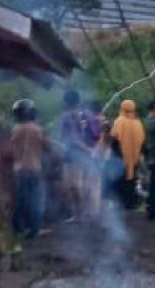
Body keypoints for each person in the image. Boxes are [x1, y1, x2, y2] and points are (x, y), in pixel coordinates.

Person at [57, 90, 98, 221]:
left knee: (73, 186)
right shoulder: (89, 115)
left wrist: (84, 148)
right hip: (87, 154)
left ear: (66, 102)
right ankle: (87, 213)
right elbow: (96, 134)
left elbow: (67, 138)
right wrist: (91, 149)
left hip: (73, 155)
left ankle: (79, 214)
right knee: (85, 184)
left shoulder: (66, 116)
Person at [8, 99, 47, 238]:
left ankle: (17, 228)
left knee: (20, 199)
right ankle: (34, 229)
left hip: (19, 170)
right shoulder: (37, 129)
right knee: (36, 200)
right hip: (35, 168)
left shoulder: (15, 129)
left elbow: (10, 150)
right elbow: (46, 146)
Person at [109, 99, 146, 209]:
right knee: (132, 180)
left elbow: (114, 138)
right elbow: (142, 140)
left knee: (120, 180)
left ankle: (120, 203)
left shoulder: (119, 121)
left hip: (120, 157)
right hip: (135, 157)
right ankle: (131, 203)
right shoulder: (138, 123)